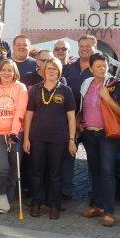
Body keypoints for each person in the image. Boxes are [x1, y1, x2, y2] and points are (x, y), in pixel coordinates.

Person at [78, 52, 120, 227]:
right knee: (93, 171)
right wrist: (80, 123)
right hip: (89, 133)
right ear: (91, 68)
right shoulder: (86, 84)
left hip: (107, 135)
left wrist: (108, 98)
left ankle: (109, 211)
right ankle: (97, 205)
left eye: (105, 66)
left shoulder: (116, 85)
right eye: (98, 66)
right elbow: (83, 106)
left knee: (107, 172)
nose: (102, 69)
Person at [23, 58, 77, 219]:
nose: (52, 71)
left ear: (59, 72)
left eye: (55, 69)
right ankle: (36, 203)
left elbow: (71, 117)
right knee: (36, 172)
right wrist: (26, 138)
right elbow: (29, 115)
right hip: (37, 137)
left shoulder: (66, 91)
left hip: (58, 138)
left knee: (55, 173)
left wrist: (71, 139)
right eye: (49, 69)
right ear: (44, 71)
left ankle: (54, 205)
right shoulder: (34, 90)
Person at [0, 59, 28, 213]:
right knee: (2, 167)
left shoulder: (21, 88)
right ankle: (1, 194)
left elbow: (20, 112)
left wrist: (14, 132)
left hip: (15, 134)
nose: (6, 73)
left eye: (10, 70)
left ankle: (9, 197)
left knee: (14, 169)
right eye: (3, 70)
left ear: (15, 72)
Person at [53, 38, 76, 202]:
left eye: (64, 49)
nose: (61, 51)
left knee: (69, 158)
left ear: (69, 52)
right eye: (58, 49)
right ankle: (55, 191)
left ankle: (66, 190)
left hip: (75, 121)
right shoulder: (50, 69)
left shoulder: (74, 69)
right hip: (56, 123)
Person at [63, 34, 97, 107]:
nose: (84, 49)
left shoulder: (99, 71)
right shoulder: (67, 69)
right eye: (81, 46)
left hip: (90, 115)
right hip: (68, 113)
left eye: (88, 46)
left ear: (95, 47)